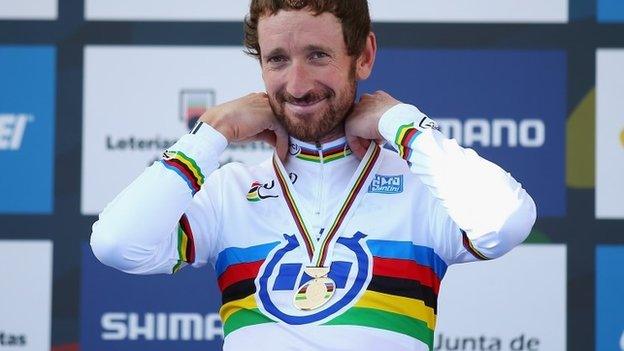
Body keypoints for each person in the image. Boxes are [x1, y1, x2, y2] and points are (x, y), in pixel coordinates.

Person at [90, 0, 537, 350]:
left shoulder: (423, 187)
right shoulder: (230, 191)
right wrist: (213, 133)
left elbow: (505, 221)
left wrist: (403, 125)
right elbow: (117, 244)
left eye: (317, 55)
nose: (298, 84)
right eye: (278, 60)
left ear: (363, 56)